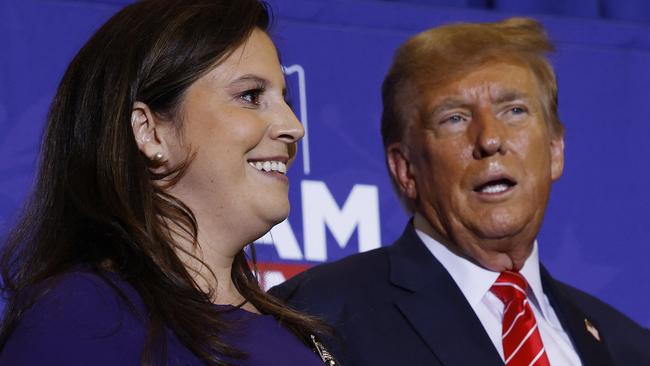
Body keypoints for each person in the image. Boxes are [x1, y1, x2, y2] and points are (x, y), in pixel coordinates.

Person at [270, 17, 650, 366]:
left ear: (555, 149)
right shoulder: (315, 318)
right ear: (406, 169)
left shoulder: (629, 347)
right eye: (454, 118)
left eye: (514, 111)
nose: (490, 139)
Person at [0, 0, 337, 365]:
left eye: (284, 99)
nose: (294, 127)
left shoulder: (295, 332)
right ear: (149, 132)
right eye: (250, 96)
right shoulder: (82, 318)